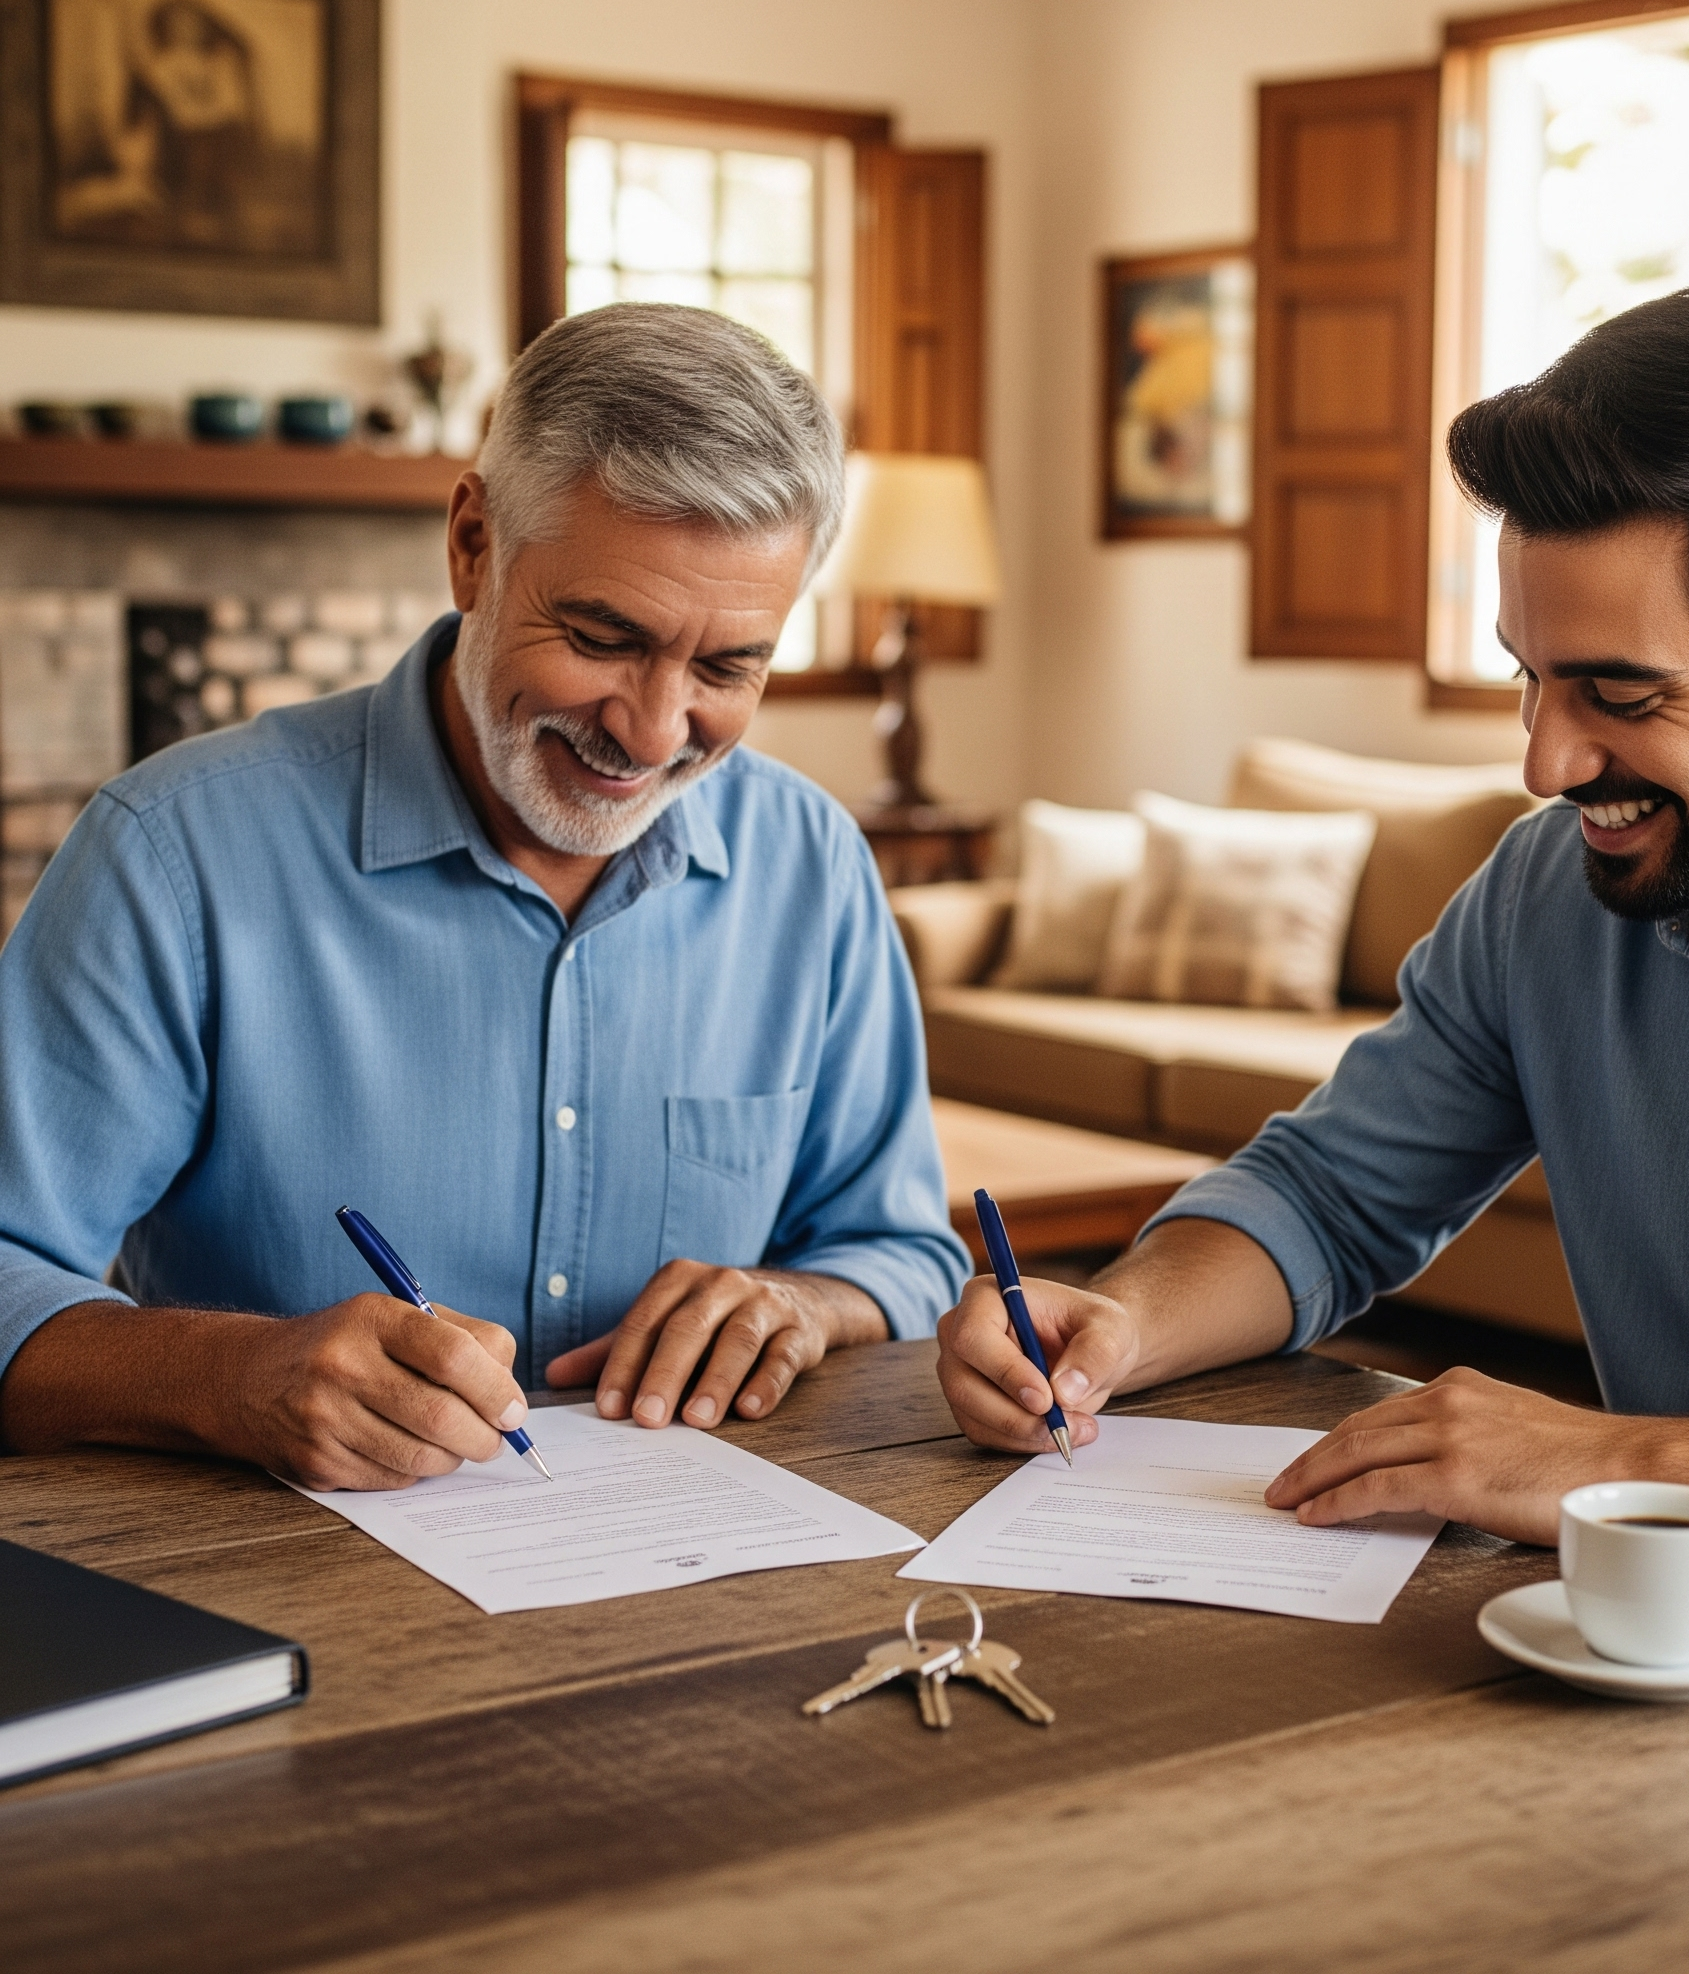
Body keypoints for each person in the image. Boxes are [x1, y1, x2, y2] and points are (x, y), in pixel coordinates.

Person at [940, 282, 1689, 1589]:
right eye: (1530, 675)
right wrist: (1121, 1319)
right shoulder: (1547, 893)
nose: (1544, 760)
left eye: (1618, 693)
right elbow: (1331, 1193)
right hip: (1622, 1675)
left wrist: (1615, 1459)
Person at [0, 304, 970, 1490]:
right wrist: (226, 1374)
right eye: (604, 636)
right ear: (472, 543)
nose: (653, 729)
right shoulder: (172, 855)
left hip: (700, 1584)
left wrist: (807, 1301)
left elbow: (902, 1247)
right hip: (277, 1591)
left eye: (726, 666)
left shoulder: (812, 863)